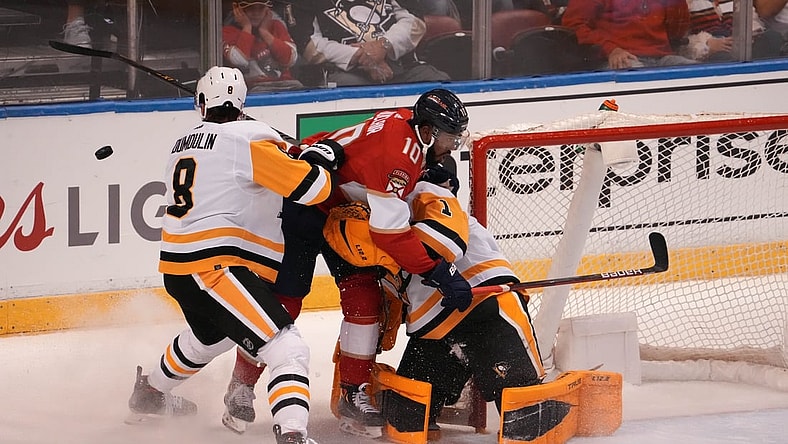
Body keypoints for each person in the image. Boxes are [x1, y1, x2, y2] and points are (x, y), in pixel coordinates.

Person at [220, 88, 474, 438]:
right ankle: (241, 385)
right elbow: (389, 233)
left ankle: (353, 392)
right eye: (449, 138)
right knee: (286, 302)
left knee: (364, 298)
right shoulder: (399, 158)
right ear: (428, 131)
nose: (452, 146)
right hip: (308, 207)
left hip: (345, 212)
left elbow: (343, 145)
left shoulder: (404, 121)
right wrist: (436, 271)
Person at [125, 66, 342, 444]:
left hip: (178, 269)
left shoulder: (184, 143)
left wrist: (282, 152)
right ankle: (293, 434)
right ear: (242, 104)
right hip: (214, 268)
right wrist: (318, 159)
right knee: (287, 347)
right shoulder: (250, 141)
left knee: (212, 338)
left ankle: (151, 393)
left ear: (201, 103)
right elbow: (314, 190)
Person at [318, 164, 545, 440]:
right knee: (407, 420)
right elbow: (389, 309)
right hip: (436, 327)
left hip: (485, 307)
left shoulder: (428, 201)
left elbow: (437, 247)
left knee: (527, 417)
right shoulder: (389, 230)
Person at [278, 1, 451, 86]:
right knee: (350, 89)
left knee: (438, 82)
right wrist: (361, 57)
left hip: (401, 67)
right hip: (344, 73)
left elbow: (415, 23)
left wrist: (384, 45)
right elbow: (310, 46)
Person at [562, 0, 699, 69]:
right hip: (618, 60)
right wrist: (610, 50)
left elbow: (677, 29)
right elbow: (574, 26)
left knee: (700, 72)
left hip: (663, 58)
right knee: (640, 80)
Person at [222, 1, 303, 91]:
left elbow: (290, 59)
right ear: (238, 10)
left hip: (286, 86)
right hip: (251, 90)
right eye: (250, 8)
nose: (256, 13)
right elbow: (240, 61)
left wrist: (264, 32)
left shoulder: (276, 26)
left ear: (267, 9)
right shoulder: (228, 31)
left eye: (261, 8)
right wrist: (247, 27)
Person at [678, 0, 783, 62]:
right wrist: (707, 45)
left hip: (741, 43)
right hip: (711, 51)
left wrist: (750, 33)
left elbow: (750, 19)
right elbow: (679, 41)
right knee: (723, 58)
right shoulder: (685, 3)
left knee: (772, 37)